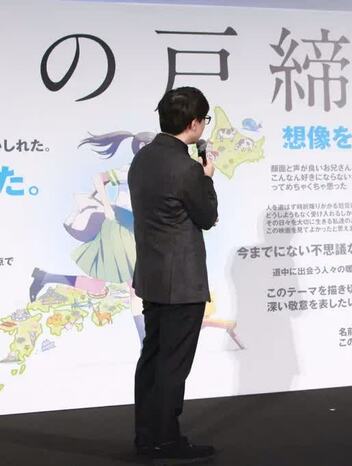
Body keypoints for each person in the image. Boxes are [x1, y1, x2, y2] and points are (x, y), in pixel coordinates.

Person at [128, 86, 218, 461]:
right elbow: (207, 217)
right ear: (194, 123)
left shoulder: (142, 158)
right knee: (172, 365)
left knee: (152, 357)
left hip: (151, 277)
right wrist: (207, 176)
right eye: (204, 120)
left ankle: (147, 436)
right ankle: (167, 439)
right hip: (181, 282)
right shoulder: (187, 169)